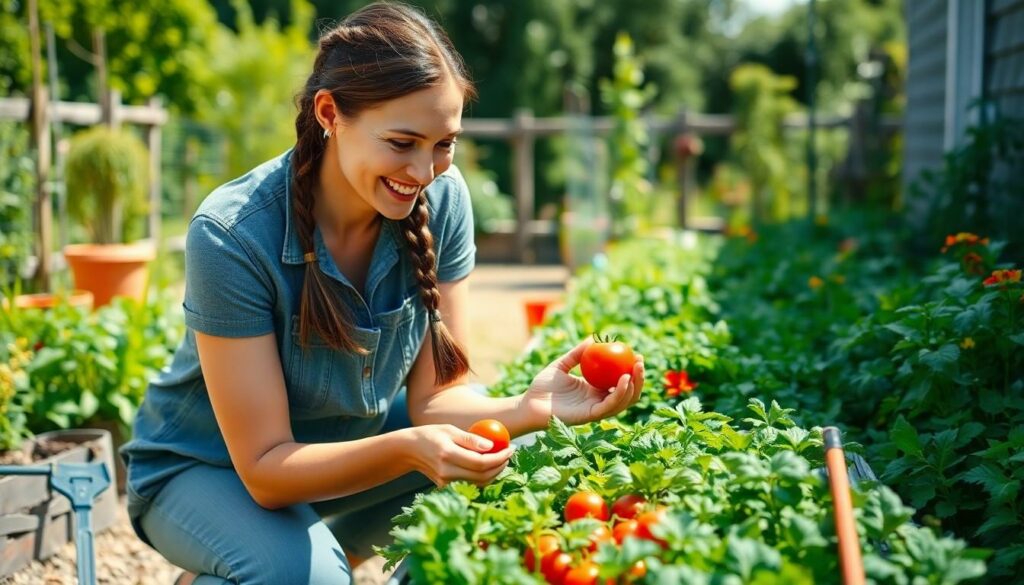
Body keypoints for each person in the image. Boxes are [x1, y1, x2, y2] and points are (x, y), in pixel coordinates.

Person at [120, 3, 645, 584]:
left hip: (343, 447)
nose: (424, 170)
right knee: (306, 578)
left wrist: (527, 409)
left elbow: (438, 400)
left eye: (444, 144)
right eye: (402, 142)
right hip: (211, 470)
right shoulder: (232, 235)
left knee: (498, 467)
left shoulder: (443, 202)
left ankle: (299, 562)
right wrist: (408, 450)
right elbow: (267, 471)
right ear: (330, 113)